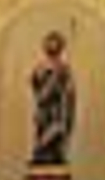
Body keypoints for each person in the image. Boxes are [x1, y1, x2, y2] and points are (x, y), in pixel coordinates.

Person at [29, 30, 77, 167]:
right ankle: (41, 155)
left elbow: (69, 90)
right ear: (45, 47)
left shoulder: (64, 68)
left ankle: (56, 156)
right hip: (44, 108)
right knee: (41, 131)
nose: (52, 47)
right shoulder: (40, 66)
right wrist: (42, 87)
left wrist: (66, 93)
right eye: (50, 44)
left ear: (60, 48)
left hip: (57, 108)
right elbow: (35, 84)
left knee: (56, 133)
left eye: (55, 44)